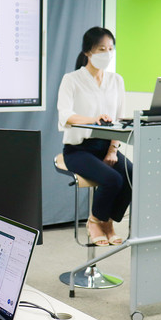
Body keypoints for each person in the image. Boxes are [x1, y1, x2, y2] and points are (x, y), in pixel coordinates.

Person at [56, 27, 133, 246]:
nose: (107, 53)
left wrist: (113, 150)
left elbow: (119, 119)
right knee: (112, 179)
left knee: (131, 176)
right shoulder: (71, 79)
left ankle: (107, 221)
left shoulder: (116, 80)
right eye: (101, 49)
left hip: (106, 147)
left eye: (110, 49)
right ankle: (94, 221)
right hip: (78, 150)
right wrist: (93, 119)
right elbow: (65, 116)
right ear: (88, 52)